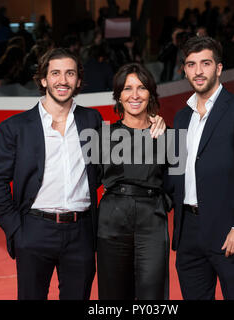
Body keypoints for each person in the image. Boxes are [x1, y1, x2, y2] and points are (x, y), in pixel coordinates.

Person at [0, 48, 165, 300]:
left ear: (78, 81)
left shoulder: (91, 120)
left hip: (81, 233)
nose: (63, 80)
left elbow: (125, 149)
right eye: (55, 73)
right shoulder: (15, 128)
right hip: (34, 230)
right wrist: (15, 229)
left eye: (70, 73)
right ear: (43, 79)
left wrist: (155, 122)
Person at [171, 36, 234, 300]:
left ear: (219, 68)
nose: (198, 71)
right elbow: (175, 173)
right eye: (191, 65)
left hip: (229, 230)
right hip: (188, 231)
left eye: (205, 63)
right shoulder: (181, 117)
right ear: (185, 69)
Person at [96, 63, 172, 300]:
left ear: (150, 93)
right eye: (127, 88)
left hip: (152, 221)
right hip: (112, 221)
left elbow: (175, 184)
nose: (135, 95)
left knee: (153, 294)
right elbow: (88, 182)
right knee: (113, 296)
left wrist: (159, 206)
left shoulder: (166, 135)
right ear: (118, 95)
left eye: (141, 88)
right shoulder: (103, 136)